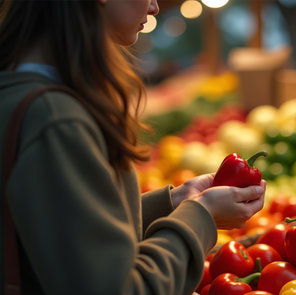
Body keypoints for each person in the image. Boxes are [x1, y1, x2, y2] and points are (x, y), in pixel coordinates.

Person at [0, 1, 266, 294]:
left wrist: (174, 203)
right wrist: (201, 215)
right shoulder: (56, 119)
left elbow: (65, 232)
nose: (154, 7)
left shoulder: (21, 94)